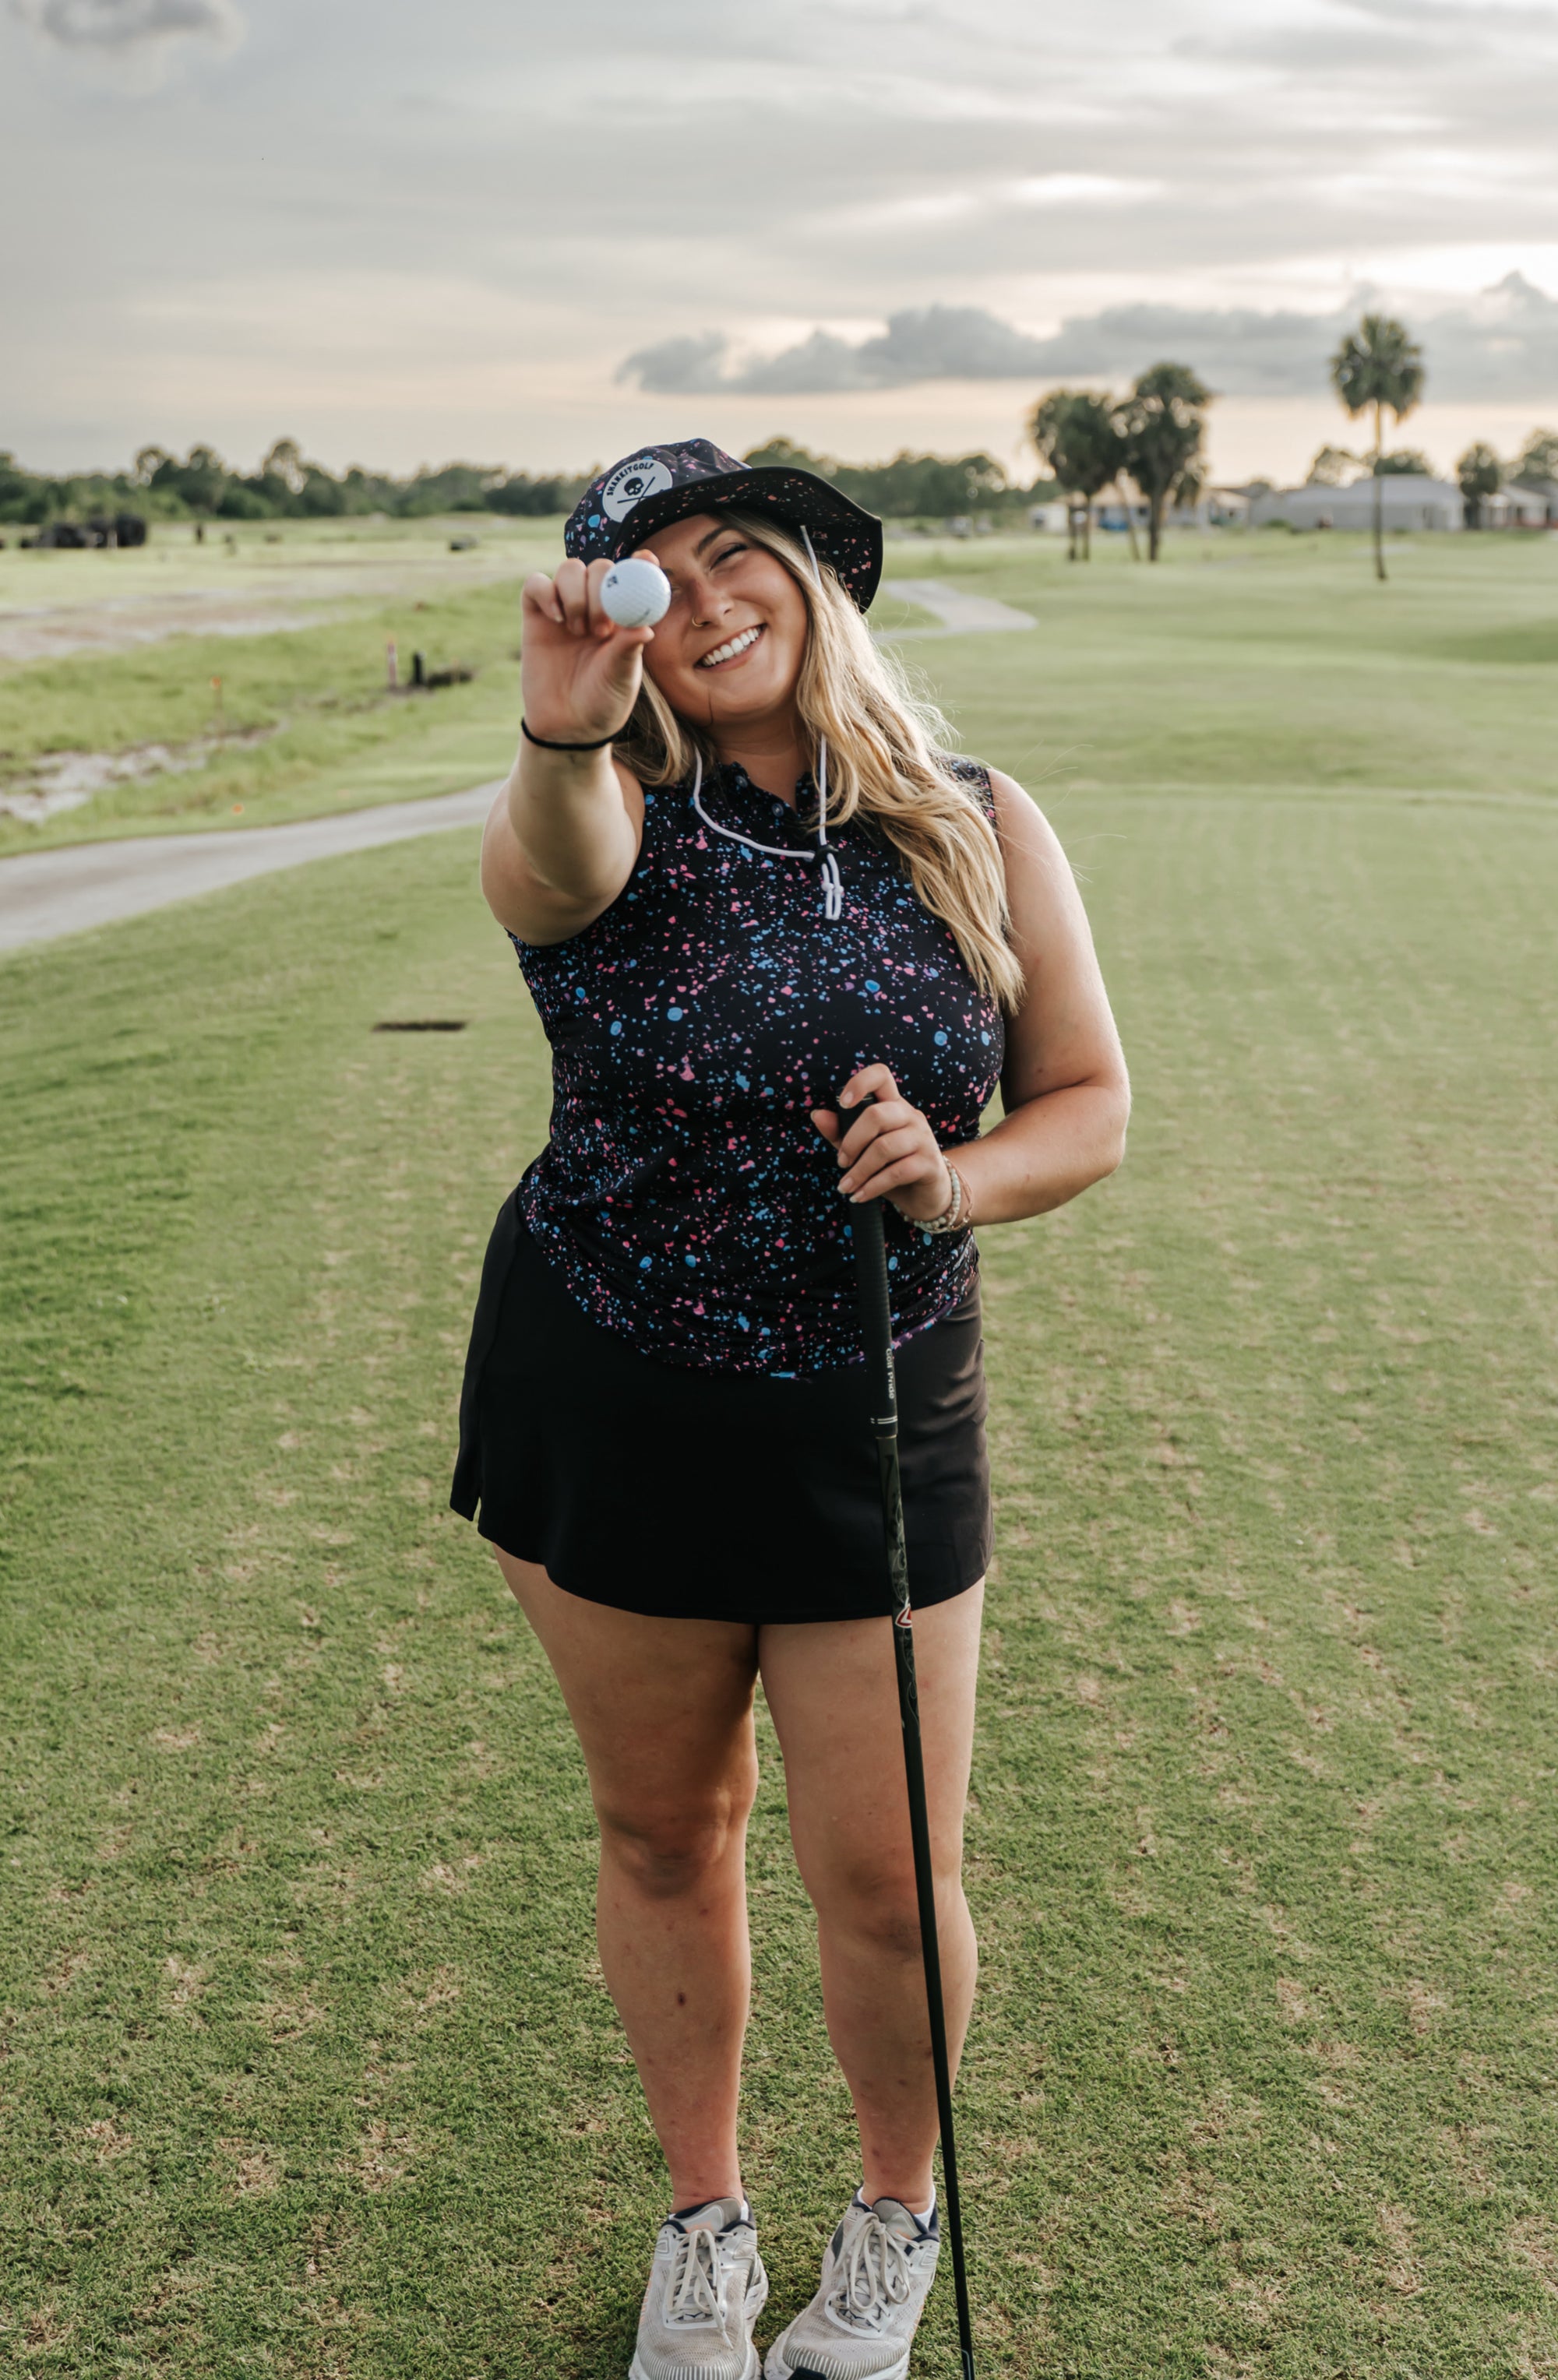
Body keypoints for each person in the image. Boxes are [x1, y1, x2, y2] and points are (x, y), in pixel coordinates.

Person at [451, 439, 1130, 2380]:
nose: (705, 592)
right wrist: (562, 730)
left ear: (818, 580)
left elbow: (1086, 1098)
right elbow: (543, 871)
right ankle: (705, 2228)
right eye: (652, 577)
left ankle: (894, 2221)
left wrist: (956, 1179)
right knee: (664, 1828)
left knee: (889, 1874)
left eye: (736, 551)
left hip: (875, 1403)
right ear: (621, 633)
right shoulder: (594, 811)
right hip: (611, 1378)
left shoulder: (976, 819)